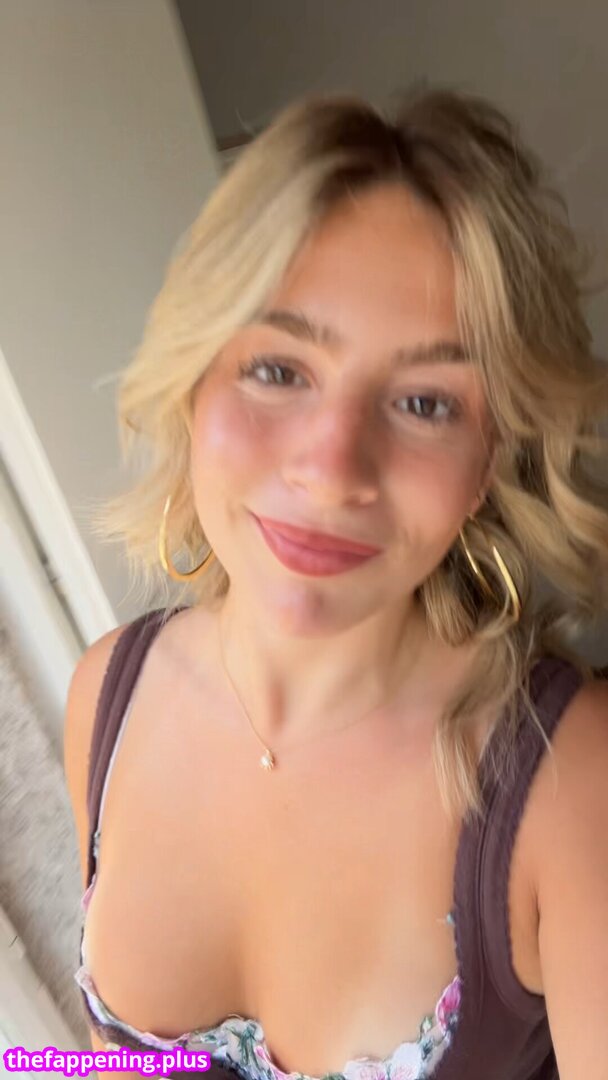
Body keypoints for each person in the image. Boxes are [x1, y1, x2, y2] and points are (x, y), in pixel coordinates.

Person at [64, 86, 608, 1080]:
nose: (330, 469)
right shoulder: (106, 693)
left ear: (490, 455)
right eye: (278, 370)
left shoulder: (570, 782)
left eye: (424, 401)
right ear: (193, 380)